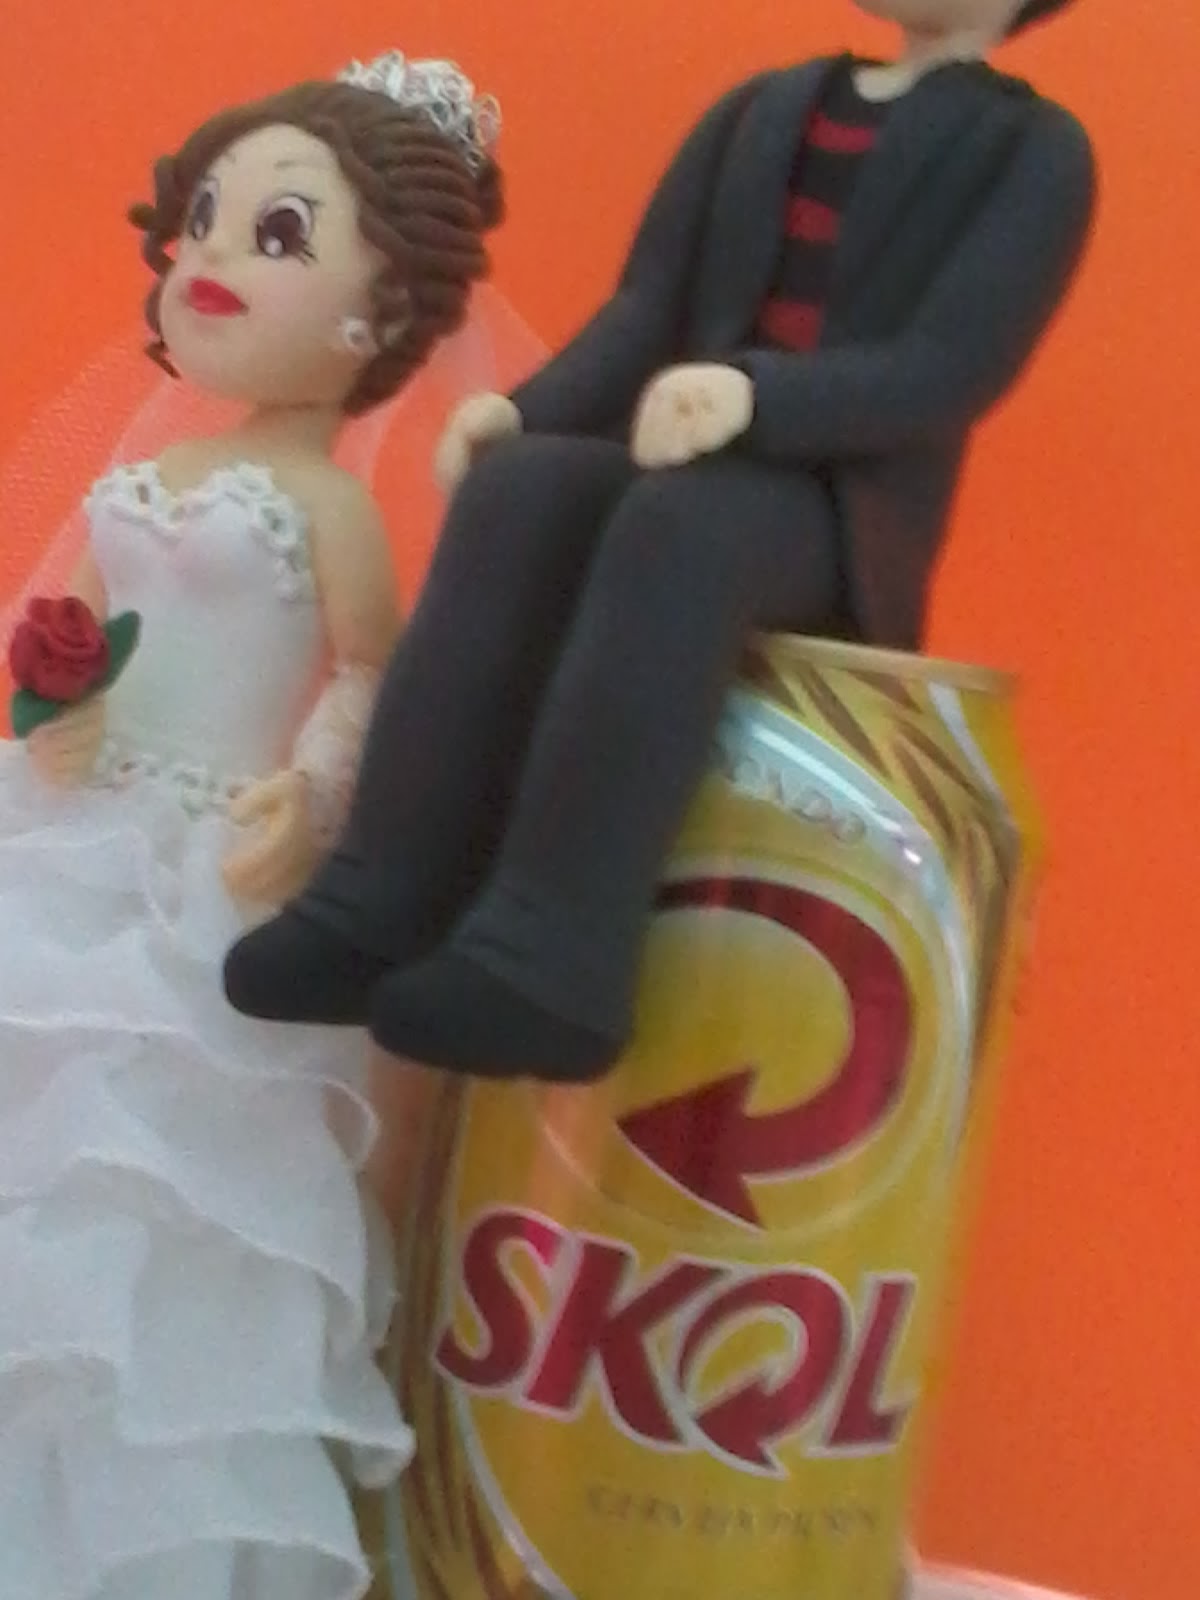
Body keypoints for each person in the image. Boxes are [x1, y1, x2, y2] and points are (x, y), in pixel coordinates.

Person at [224, 0, 1096, 1084]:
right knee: (523, 489)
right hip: (680, 462)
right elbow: (645, 311)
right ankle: (378, 898)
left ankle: (553, 960)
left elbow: (949, 367)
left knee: (683, 525)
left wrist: (759, 397)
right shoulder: (764, 110)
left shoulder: (1033, 152)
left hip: (835, 511)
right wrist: (528, 413)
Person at [0, 50, 525, 1600]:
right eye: (204, 225)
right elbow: (58, 639)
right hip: (68, 848)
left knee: (171, 1190)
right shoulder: (144, 471)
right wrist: (50, 712)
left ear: (385, 309)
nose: (212, 260)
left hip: (215, 868)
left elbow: (364, 672)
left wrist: (313, 790)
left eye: (278, 233)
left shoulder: (333, 509)